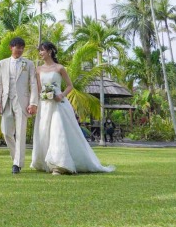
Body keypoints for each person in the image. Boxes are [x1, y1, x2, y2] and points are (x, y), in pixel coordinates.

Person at [30, 42, 115, 175]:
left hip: (59, 104)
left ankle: (59, 165)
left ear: (50, 51)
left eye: (42, 50)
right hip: (45, 105)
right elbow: (39, 88)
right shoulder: (38, 70)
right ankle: (45, 162)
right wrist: (40, 99)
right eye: (39, 51)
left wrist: (61, 95)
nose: (40, 53)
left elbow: (70, 85)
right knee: (44, 132)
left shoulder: (59, 68)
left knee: (57, 131)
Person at [0, 37, 38, 174]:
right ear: (11, 48)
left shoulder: (29, 64)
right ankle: (16, 158)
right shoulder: (2, 63)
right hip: (6, 100)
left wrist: (33, 103)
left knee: (20, 132)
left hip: (22, 102)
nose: (19, 50)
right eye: (17, 47)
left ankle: (17, 164)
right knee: (6, 132)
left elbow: (33, 84)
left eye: (21, 47)